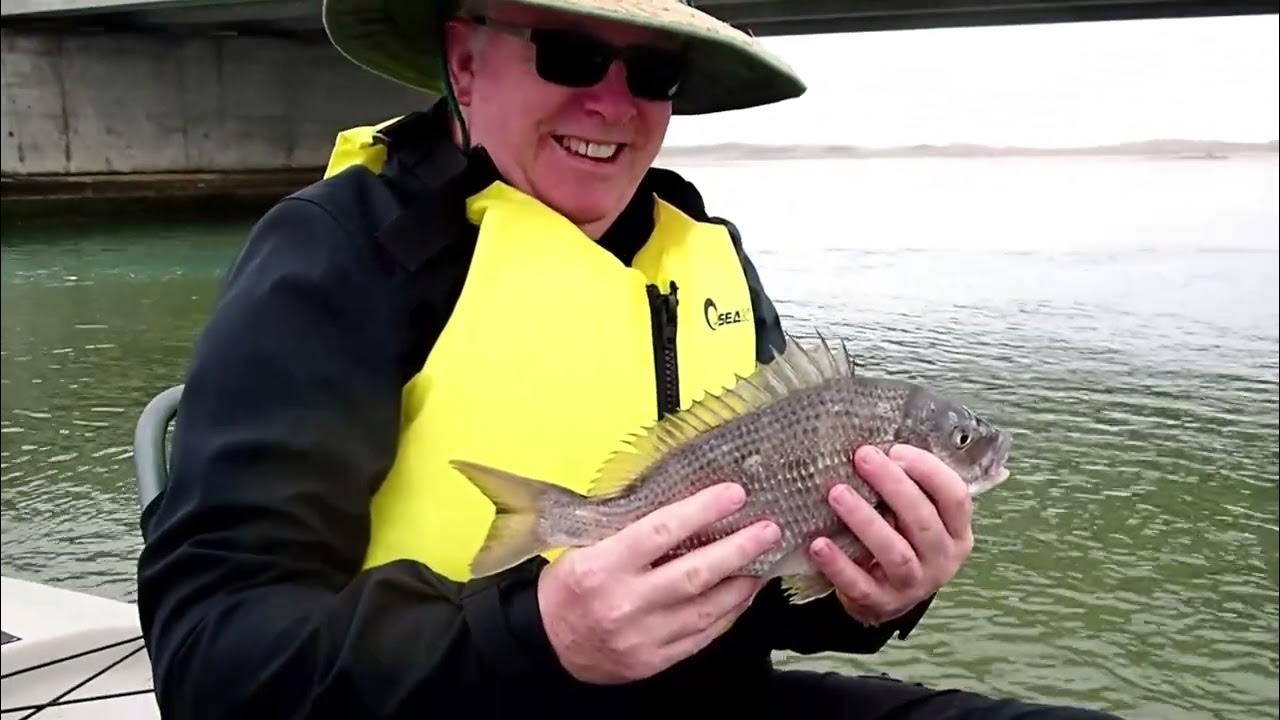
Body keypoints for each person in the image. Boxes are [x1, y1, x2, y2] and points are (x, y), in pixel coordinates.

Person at [134, 0, 1124, 717]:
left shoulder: (704, 254)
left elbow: (770, 600)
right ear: (463, 59)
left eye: (652, 73)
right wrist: (532, 636)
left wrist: (876, 592)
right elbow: (211, 663)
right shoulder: (337, 257)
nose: (613, 103)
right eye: (567, 51)